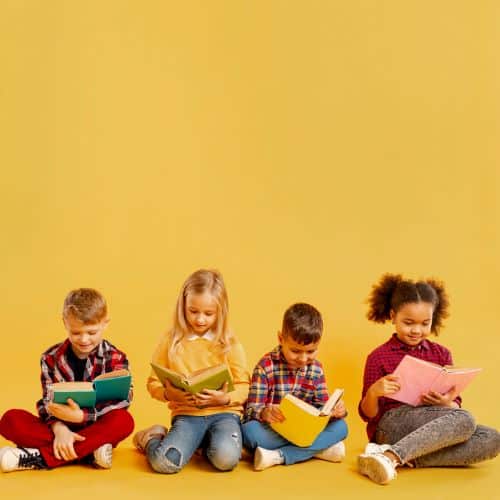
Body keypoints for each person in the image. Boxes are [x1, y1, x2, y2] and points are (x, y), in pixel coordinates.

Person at [358, 273, 500, 485]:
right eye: (408, 323)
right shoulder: (378, 357)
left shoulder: (442, 354)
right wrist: (374, 392)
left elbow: (454, 404)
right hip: (391, 426)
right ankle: (390, 455)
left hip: (432, 427)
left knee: (492, 439)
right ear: (393, 315)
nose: (417, 330)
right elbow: (367, 415)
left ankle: (392, 458)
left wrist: (447, 403)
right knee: (465, 419)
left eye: (425, 323)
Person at [0, 288, 134, 472]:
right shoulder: (50, 358)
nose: (84, 339)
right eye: (76, 333)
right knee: (10, 419)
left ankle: (37, 458)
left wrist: (83, 416)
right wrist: (59, 428)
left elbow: (123, 400)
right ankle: (90, 453)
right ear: (65, 323)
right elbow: (48, 402)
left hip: (97, 428)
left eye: (91, 332)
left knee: (124, 421)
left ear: (105, 324)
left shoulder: (116, 358)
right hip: (58, 431)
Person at [133, 269, 250, 473]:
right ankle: (151, 438)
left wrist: (224, 399)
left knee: (226, 460)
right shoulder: (171, 341)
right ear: (183, 307)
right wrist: (169, 393)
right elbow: (153, 382)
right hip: (187, 415)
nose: (200, 320)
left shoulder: (229, 342)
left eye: (208, 314)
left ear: (220, 312)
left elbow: (244, 385)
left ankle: (201, 445)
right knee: (164, 464)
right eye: (193, 311)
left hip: (224, 415)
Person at [242, 302, 348, 471]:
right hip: (275, 430)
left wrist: (334, 412)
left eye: (311, 351)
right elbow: (250, 410)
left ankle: (278, 456)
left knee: (341, 427)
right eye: (296, 351)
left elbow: (322, 408)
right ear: (280, 338)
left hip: (305, 430)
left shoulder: (316, 369)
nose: (303, 359)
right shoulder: (266, 366)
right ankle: (318, 450)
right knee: (249, 433)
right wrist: (264, 412)